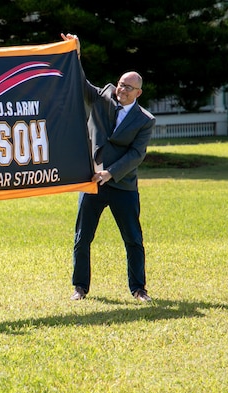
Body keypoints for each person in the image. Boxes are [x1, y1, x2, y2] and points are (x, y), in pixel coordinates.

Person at [61, 33, 156, 302]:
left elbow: (136, 155)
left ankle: (138, 289)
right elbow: (80, 83)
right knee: (82, 238)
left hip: (122, 185)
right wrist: (74, 54)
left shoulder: (145, 120)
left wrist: (111, 172)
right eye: (120, 84)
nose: (121, 89)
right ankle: (80, 287)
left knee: (133, 240)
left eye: (128, 87)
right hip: (92, 182)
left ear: (138, 93)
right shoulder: (101, 98)